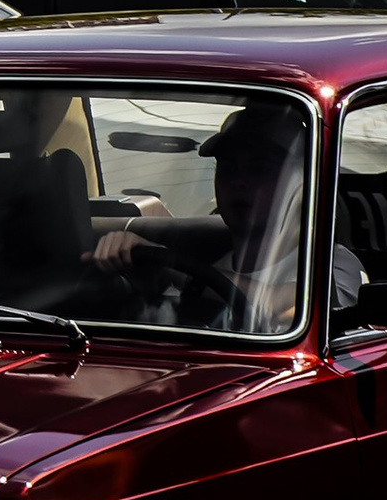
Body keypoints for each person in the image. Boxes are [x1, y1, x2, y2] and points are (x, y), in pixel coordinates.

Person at [94, 98, 309, 337]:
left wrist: (172, 264)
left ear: (301, 182)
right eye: (228, 168)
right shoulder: (212, 271)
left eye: (260, 169)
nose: (239, 182)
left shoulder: (328, 268)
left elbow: (280, 308)